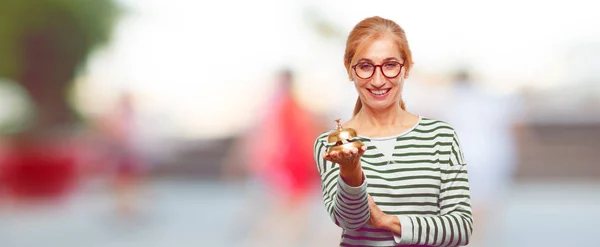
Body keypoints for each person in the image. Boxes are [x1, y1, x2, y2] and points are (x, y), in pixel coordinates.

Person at [313, 16, 473, 246]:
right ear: (349, 70)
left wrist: (388, 222)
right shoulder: (332, 143)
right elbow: (349, 221)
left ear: (406, 67)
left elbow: (461, 228)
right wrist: (351, 172)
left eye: (390, 65)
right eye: (365, 66)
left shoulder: (441, 137)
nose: (378, 80)